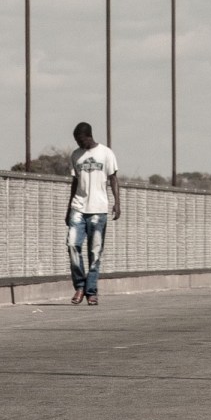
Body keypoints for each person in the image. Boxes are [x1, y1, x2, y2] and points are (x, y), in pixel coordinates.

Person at [68, 122, 121, 306]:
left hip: (98, 209)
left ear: (88, 136)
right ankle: (80, 286)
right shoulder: (76, 155)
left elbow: (113, 178)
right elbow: (74, 182)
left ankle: (91, 292)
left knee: (94, 251)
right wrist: (69, 207)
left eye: (80, 139)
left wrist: (117, 203)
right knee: (72, 244)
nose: (78, 143)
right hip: (79, 207)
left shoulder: (106, 153)